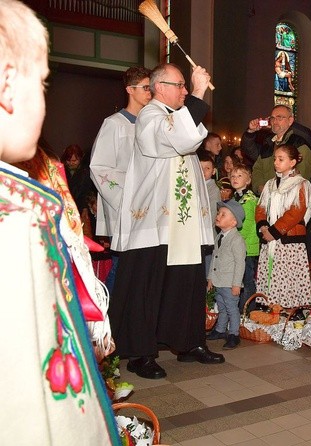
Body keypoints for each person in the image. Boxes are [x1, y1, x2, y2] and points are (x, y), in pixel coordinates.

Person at [0, 1, 120, 443]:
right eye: (43, 84)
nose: (45, 103)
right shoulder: (15, 219)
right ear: (8, 86)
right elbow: (28, 397)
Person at [110, 62, 224, 380]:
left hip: (183, 220)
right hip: (155, 221)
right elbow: (180, 137)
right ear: (160, 87)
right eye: (181, 86)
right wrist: (199, 93)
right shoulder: (150, 115)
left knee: (186, 283)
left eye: (187, 87)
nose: (185, 91)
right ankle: (139, 353)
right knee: (146, 286)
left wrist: (194, 99)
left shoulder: (173, 115)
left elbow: (189, 136)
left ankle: (189, 343)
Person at [90, 65, 152, 293]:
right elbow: (99, 168)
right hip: (125, 203)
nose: (149, 93)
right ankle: (104, 312)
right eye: (145, 88)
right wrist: (129, 190)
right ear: (130, 89)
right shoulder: (114, 124)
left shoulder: (151, 123)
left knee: (140, 267)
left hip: (150, 205)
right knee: (124, 264)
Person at [255, 144, 311, 307]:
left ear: (293, 162)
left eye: (281, 159)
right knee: (272, 274)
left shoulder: (301, 184)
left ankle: (293, 308)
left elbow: (296, 212)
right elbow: (260, 207)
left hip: (288, 240)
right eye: (275, 159)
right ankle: (271, 305)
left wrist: (274, 231)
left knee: (289, 275)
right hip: (270, 239)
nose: (276, 162)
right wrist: (264, 227)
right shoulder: (270, 184)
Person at [242, 105, 311, 194]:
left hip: (290, 199)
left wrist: (278, 192)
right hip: (266, 196)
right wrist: (260, 187)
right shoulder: (269, 144)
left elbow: (302, 174)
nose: (275, 121)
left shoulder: (299, 144)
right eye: (272, 118)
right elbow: (257, 168)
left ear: (290, 120)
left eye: (279, 118)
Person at [207, 200, 247, 350]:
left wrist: (236, 284)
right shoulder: (219, 237)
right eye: (218, 213)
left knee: (231, 309)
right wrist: (210, 277)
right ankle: (220, 330)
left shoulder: (237, 240)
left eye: (223, 214)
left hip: (230, 283)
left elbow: (240, 263)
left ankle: (234, 334)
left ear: (233, 221)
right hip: (218, 281)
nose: (218, 216)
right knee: (222, 307)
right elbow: (214, 258)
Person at [228, 163, 260, 314]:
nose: (235, 178)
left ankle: (248, 311)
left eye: (240, 175)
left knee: (247, 280)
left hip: (246, 246)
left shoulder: (249, 199)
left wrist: (233, 242)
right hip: (238, 245)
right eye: (233, 176)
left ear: (248, 180)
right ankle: (238, 310)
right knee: (238, 279)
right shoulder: (235, 197)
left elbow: (245, 225)